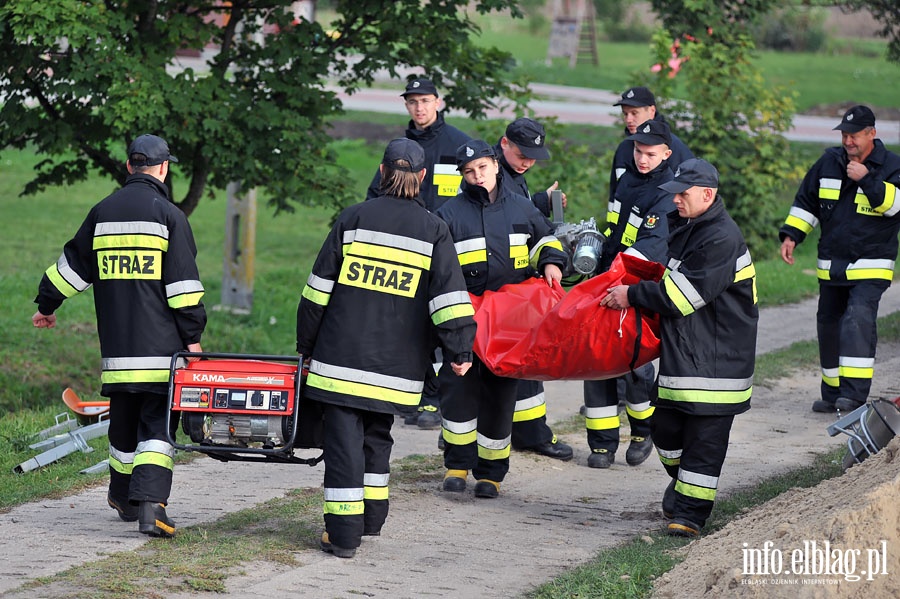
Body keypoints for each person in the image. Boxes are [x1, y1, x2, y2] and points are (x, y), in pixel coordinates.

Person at [297, 138, 476, 558]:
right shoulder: (434, 229)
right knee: (377, 438)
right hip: (396, 371)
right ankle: (371, 520)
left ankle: (343, 535)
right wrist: (460, 351)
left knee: (343, 447)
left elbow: (317, 292)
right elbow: (448, 299)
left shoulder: (354, 218)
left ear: (380, 174)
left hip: (340, 364)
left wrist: (305, 346)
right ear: (424, 178)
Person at [32, 134, 207, 539]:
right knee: (158, 428)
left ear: (129, 166)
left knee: (124, 424)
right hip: (161, 353)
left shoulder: (102, 213)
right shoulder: (170, 216)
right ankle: (151, 506)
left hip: (118, 354)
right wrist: (193, 339)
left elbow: (70, 267)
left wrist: (46, 307)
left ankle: (123, 496)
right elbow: (183, 289)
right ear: (164, 169)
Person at [601, 158, 758, 538]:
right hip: (687, 353)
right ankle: (683, 486)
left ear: (708, 194)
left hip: (718, 361)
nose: (675, 202)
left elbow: (682, 296)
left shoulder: (720, 236)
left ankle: (689, 517)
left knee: (704, 444)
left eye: (682, 195)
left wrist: (631, 294)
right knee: (666, 430)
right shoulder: (689, 227)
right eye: (673, 194)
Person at [435, 139, 567, 498]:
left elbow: (546, 240)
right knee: (457, 393)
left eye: (482, 168)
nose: (478, 177)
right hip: (464, 320)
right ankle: (457, 465)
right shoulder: (448, 215)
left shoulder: (522, 209)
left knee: (499, 396)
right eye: (469, 172)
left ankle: (491, 472)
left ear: (495, 165)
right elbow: (439, 271)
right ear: (463, 176)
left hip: (510, 323)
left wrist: (551, 262)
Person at [366, 76, 472, 430]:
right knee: (409, 322)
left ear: (438, 102)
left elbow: (478, 192)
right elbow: (375, 195)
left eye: (425, 100)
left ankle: (439, 398)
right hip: (405, 251)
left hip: (447, 249)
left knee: (443, 319)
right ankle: (417, 396)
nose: (419, 107)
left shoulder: (459, 145)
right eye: (412, 102)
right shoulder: (399, 147)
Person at [779, 105, 900, 414]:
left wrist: (867, 179)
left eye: (854, 136)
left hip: (872, 264)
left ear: (872, 134)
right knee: (829, 326)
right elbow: (807, 200)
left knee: (857, 320)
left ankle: (854, 396)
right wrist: (793, 235)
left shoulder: (891, 167)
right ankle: (832, 393)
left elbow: (895, 207)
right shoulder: (829, 162)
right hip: (832, 264)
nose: (848, 142)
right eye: (845, 135)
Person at [583, 119, 676, 469]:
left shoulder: (668, 192)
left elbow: (651, 246)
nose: (642, 158)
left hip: (636, 285)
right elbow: (615, 230)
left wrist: (620, 280)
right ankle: (602, 443)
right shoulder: (627, 181)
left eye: (650, 153)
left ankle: (642, 431)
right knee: (595, 359)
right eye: (638, 150)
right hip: (609, 279)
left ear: (666, 153)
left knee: (633, 363)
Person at [494, 117, 572, 461]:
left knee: (520, 363)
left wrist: (539, 202)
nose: (528, 161)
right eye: (522, 153)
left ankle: (527, 432)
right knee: (520, 361)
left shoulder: (513, 179)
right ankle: (528, 434)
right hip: (504, 287)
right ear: (504, 144)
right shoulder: (497, 180)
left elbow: (519, 216)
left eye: (533, 155)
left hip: (517, 285)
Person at [610, 86, 693, 202]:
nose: (628, 119)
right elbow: (614, 193)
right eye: (625, 114)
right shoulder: (624, 148)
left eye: (634, 113)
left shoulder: (673, 147)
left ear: (652, 111)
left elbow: (687, 196)